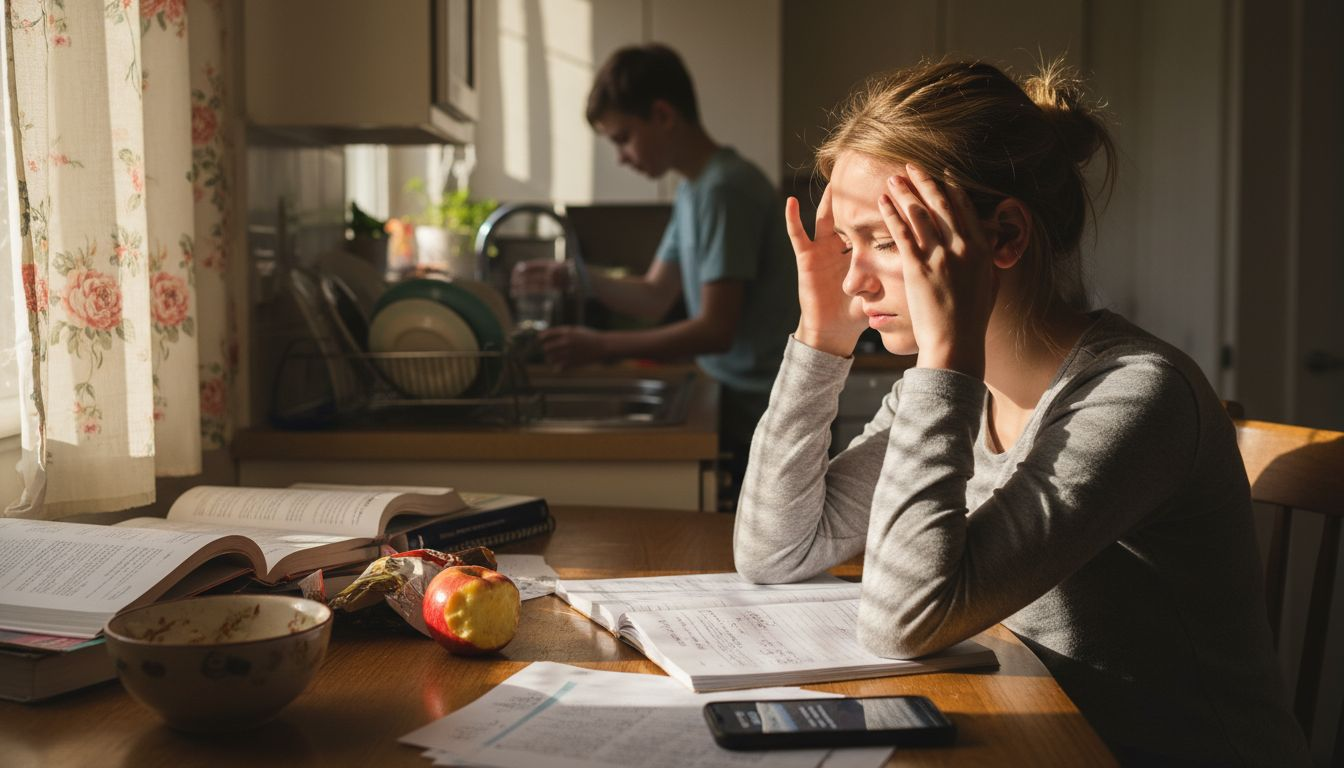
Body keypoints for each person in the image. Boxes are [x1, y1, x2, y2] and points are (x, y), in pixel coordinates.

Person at [732, 59, 1311, 766]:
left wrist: (945, 362)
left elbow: (903, 623)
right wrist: (820, 338)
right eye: (848, 245)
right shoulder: (951, 393)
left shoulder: (1136, 396)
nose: (854, 280)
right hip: (1033, 740)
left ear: (1004, 236)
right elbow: (776, 551)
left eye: (885, 242)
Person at [512, 44, 799, 504]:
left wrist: (601, 346)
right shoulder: (694, 190)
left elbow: (716, 329)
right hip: (732, 401)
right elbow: (654, 294)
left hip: (764, 412)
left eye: (623, 138)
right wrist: (573, 277)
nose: (621, 157)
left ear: (663, 115)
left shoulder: (726, 190)